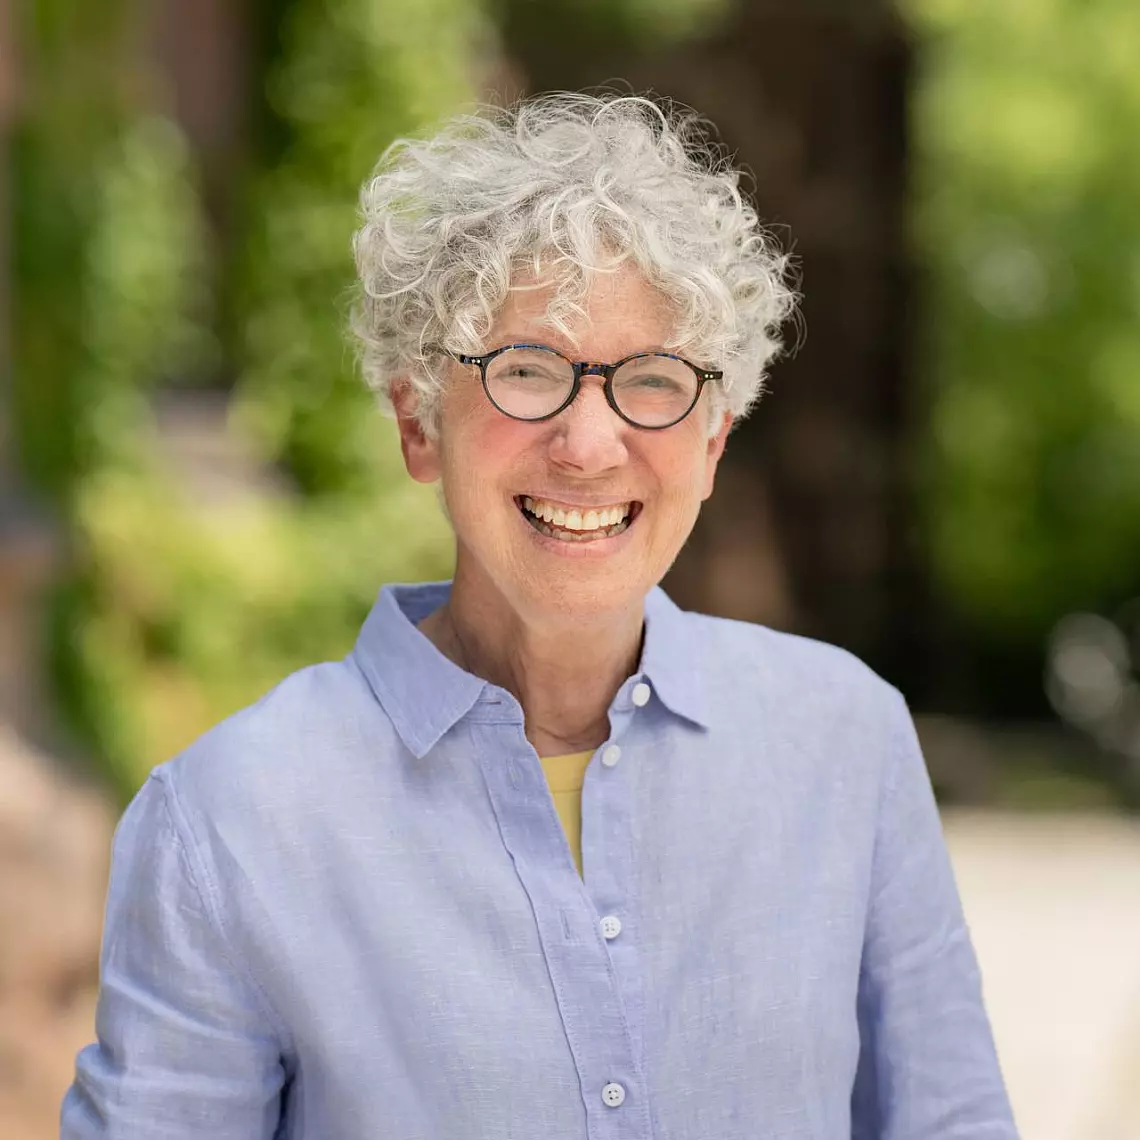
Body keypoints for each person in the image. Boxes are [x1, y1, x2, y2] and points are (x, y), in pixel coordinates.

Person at [61, 92, 1019, 1139]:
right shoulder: (230, 817)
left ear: (712, 441)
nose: (590, 443)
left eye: (653, 381)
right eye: (526, 371)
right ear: (418, 425)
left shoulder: (846, 740)